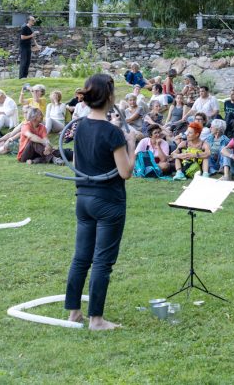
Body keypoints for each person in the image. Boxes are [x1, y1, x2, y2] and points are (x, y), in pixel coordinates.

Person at [64, 72, 133, 331]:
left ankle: (74, 313)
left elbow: (77, 164)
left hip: (83, 197)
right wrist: (131, 143)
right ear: (110, 97)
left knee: (81, 257)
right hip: (109, 201)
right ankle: (96, 320)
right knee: (102, 260)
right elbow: (126, 172)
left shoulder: (79, 126)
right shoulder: (113, 133)